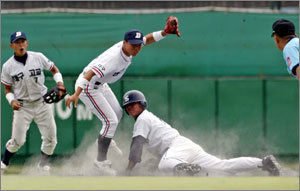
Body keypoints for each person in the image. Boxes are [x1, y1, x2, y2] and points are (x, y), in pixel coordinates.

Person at [65, 16, 180, 173]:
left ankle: (105, 141)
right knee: (110, 121)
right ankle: (101, 162)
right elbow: (90, 74)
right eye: (133, 45)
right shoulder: (113, 58)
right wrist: (76, 94)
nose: (137, 48)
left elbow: (147, 39)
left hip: (101, 84)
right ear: (125, 42)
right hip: (88, 86)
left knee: (118, 114)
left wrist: (165, 32)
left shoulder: (131, 47)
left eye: (138, 46)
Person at [122, 90, 281, 176]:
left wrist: (128, 172)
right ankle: (263, 163)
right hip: (183, 149)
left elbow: (136, 148)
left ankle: (188, 169)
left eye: (133, 104)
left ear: (142, 104)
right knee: (223, 167)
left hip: (177, 148)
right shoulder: (147, 118)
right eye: (127, 107)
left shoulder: (142, 119)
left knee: (165, 165)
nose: (130, 108)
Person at [1, 31, 66, 172]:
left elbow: (54, 69)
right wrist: (12, 101)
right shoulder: (7, 66)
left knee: (51, 139)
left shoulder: (38, 57)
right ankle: (4, 163)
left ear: (27, 43)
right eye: (17, 42)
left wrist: (60, 84)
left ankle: (42, 165)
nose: (20, 44)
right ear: (12, 45)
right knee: (17, 141)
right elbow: (7, 89)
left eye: (22, 41)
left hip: (42, 103)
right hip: (22, 106)